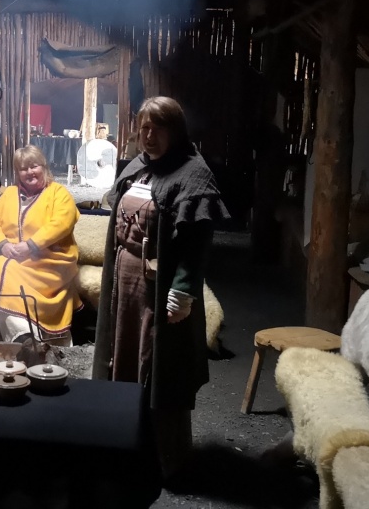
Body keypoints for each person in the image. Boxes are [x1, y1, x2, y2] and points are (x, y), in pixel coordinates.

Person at [91, 96, 229, 479]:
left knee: (158, 366)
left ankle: (166, 458)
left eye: (158, 128)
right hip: (125, 282)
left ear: (175, 131)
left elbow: (196, 244)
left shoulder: (193, 175)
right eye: (144, 128)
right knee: (122, 354)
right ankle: (123, 442)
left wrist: (182, 291)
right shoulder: (138, 166)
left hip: (159, 287)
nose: (148, 136)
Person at [0, 145, 82, 347]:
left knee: (5, 268)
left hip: (52, 260)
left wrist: (31, 245)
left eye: (34, 166)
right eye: (23, 168)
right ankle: (26, 338)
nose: (29, 172)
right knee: (3, 265)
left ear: (43, 167)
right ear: (17, 173)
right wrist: (3, 244)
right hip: (16, 257)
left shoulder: (58, 193)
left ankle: (32, 337)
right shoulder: (9, 194)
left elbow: (62, 223)